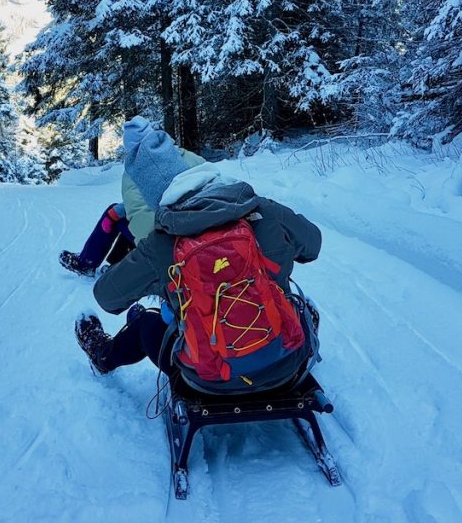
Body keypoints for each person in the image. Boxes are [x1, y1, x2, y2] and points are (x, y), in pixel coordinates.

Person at [75, 117, 322, 392]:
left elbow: (106, 297)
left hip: (209, 380)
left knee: (146, 323)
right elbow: (313, 246)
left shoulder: (160, 245)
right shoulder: (264, 211)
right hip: (288, 361)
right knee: (297, 303)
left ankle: (104, 356)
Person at [58, 118, 206, 277]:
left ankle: (88, 263)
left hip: (173, 242)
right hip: (204, 226)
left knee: (120, 217)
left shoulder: (134, 174)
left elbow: (141, 217)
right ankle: (115, 263)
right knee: (121, 213)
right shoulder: (184, 155)